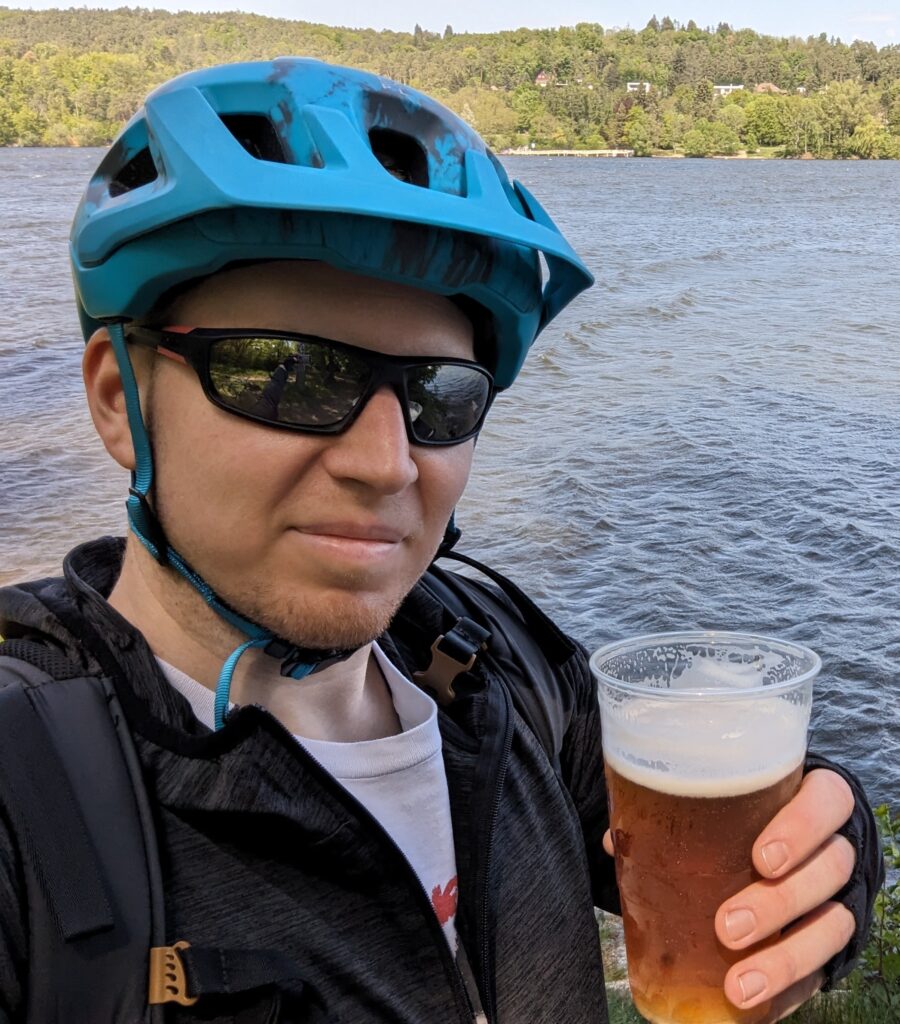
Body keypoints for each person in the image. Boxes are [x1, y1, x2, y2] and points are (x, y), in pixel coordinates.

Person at [0, 58, 883, 1024]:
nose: (386, 464)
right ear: (119, 401)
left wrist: (829, 859)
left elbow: (716, 839)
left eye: (439, 396)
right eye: (289, 375)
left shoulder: (488, 662)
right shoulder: (29, 786)